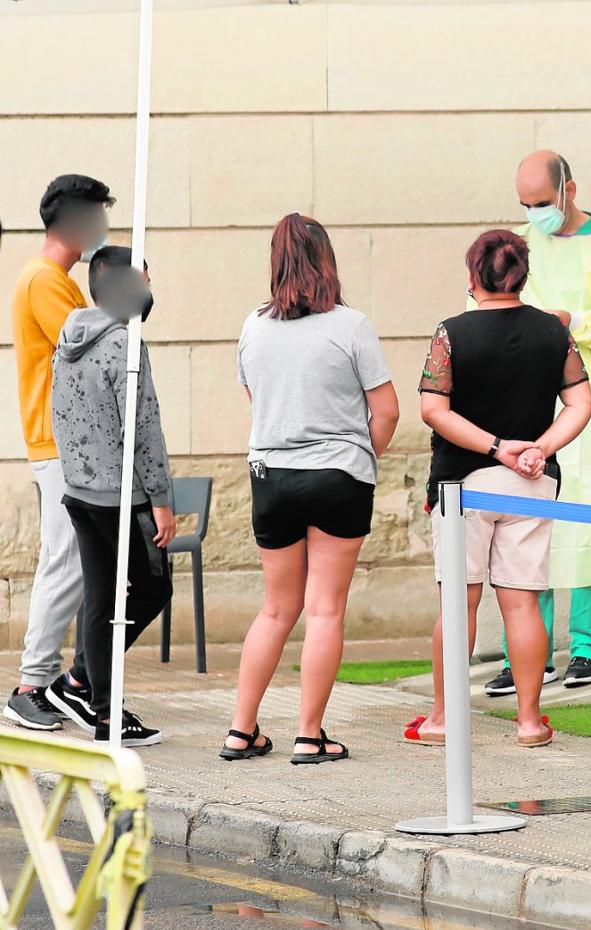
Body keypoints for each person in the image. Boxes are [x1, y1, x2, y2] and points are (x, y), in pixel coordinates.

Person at [404, 230, 591, 748]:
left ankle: (444, 718)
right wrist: (536, 448)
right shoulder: (555, 333)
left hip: (461, 485)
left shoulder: (451, 333)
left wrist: (496, 447)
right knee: (522, 604)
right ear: (523, 276)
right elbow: (582, 404)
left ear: (472, 276)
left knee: (458, 605)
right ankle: (531, 722)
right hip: (531, 484)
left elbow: (433, 409)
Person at [221, 214, 399, 765]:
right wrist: (359, 456)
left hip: (271, 478)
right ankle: (309, 734)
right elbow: (387, 410)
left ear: (275, 262)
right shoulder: (351, 326)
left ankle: (239, 731)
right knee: (324, 609)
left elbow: (258, 398)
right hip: (338, 475)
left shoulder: (254, 326)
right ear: (327, 259)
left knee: (276, 610)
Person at [481, 151, 591, 696]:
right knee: (526, 527)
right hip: (526, 403)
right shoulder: (514, 244)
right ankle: (525, 650)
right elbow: (482, 304)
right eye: (525, 205)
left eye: (542, 203)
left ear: (569, 190)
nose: (534, 214)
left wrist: (576, 321)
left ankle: (590, 646)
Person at [47, 247, 171, 747]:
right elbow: (144, 427)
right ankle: (99, 703)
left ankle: (84, 688)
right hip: (123, 498)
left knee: (101, 599)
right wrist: (160, 497)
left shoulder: (69, 336)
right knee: (151, 590)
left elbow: (58, 409)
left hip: (81, 491)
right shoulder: (125, 343)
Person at [6, 174, 113, 731]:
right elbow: (85, 343)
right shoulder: (45, 280)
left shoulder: (55, 278)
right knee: (66, 561)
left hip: (70, 445)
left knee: (75, 561)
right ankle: (31, 684)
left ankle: (59, 681)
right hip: (60, 445)